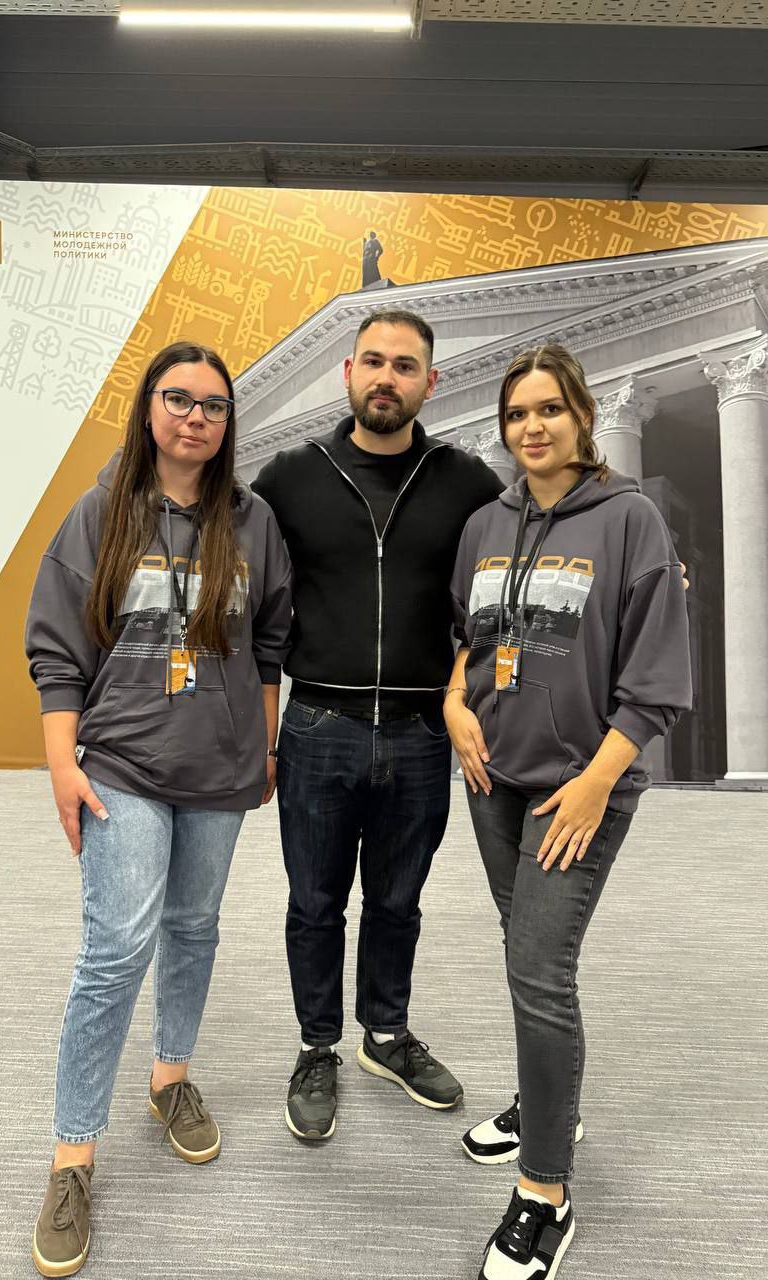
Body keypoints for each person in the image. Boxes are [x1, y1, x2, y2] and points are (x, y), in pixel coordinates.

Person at [24, 341, 292, 1278]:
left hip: (221, 768)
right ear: (149, 409)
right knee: (114, 951)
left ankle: (170, 1077)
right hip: (124, 763)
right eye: (178, 399)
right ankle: (71, 1158)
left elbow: (270, 641)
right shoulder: (101, 514)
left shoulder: (253, 523)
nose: (194, 418)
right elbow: (58, 651)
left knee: (194, 927)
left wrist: (264, 747)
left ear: (228, 424)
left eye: (213, 406)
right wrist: (62, 767)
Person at [445, 343, 692, 1280]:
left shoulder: (630, 519)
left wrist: (596, 782)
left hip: (577, 789)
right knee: (526, 957)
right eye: (517, 414)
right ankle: (547, 1104)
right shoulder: (486, 523)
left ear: (582, 415)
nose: (532, 427)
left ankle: (545, 1190)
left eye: (549, 409)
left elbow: (656, 680)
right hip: (492, 778)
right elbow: (465, 635)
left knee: (538, 971)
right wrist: (454, 703)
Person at [252, 308, 505, 1142]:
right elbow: (228, 559)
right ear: (348, 374)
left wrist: (640, 554)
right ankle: (316, 1046)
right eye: (372, 361)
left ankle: (385, 1035)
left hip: (421, 731)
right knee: (314, 902)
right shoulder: (291, 476)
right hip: (318, 724)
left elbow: (535, 541)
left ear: (431, 382)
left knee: (398, 901)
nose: (385, 377)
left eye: (403, 365)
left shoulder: (467, 481)